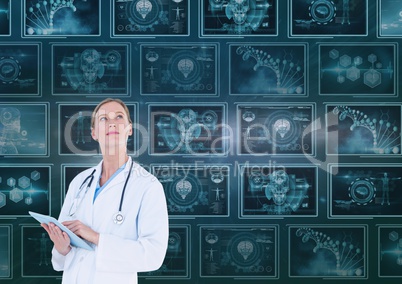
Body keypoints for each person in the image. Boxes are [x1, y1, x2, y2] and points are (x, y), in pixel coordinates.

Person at [41, 98, 169, 284]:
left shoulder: (148, 186)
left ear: (130, 129)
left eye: (119, 116)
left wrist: (95, 237)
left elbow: (153, 256)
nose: (111, 123)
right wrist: (62, 249)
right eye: (103, 119)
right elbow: (62, 256)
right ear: (94, 133)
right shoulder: (79, 182)